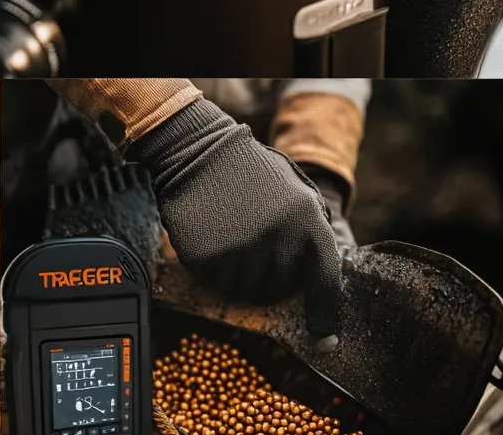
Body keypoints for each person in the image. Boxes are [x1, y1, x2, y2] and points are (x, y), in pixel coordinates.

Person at [49, 78, 371, 340]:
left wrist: (315, 171)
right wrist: (178, 135)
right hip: (77, 159)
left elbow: (333, 47)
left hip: (249, 173)